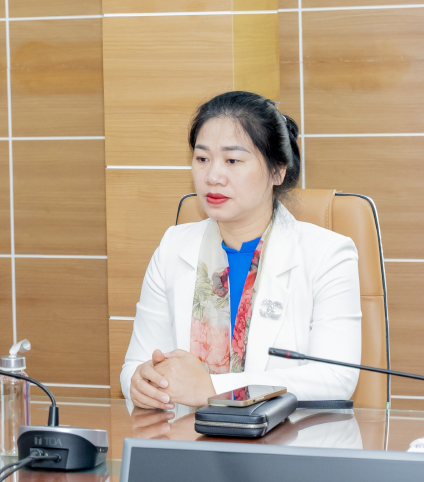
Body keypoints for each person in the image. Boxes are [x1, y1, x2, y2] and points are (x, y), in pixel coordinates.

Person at [121, 91, 361, 409]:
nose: (212, 177)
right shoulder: (173, 247)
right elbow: (136, 365)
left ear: (278, 170)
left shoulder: (328, 255)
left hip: (289, 437)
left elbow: (336, 378)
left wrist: (212, 388)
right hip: (187, 435)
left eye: (232, 161)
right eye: (202, 159)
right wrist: (140, 383)